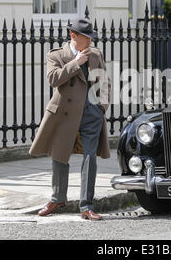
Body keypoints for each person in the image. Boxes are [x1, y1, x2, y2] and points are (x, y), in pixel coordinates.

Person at [29, 17, 111, 220]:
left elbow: (104, 81)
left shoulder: (95, 54)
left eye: (92, 37)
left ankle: (86, 206)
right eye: (86, 37)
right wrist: (75, 63)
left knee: (90, 157)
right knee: (59, 155)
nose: (90, 41)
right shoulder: (57, 55)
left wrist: (102, 107)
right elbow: (53, 79)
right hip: (64, 113)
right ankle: (58, 198)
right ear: (73, 36)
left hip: (91, 114)